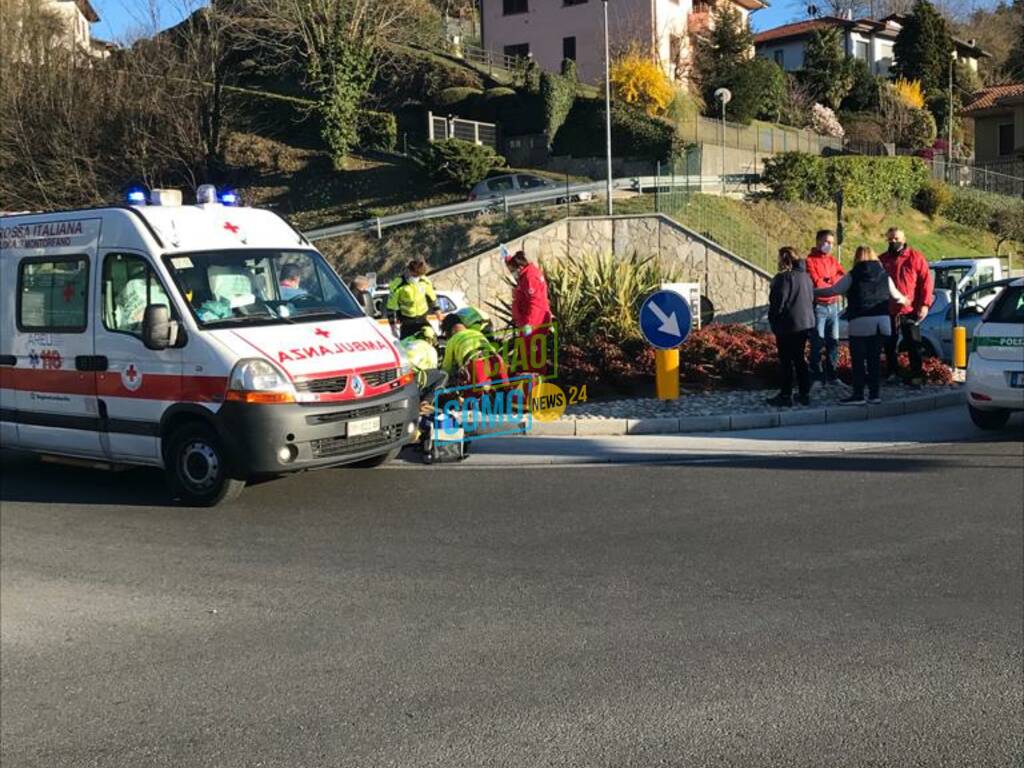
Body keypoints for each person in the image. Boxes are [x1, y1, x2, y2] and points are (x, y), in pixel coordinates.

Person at [815, 246, 911, 405]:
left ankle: (858, 395)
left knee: (859, 360)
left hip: (861, 320)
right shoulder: (884, 275)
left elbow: (833, 290)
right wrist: (906, 300)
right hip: (883, 322)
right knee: (874, 359)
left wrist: (812, 291)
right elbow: (897, 296)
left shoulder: (853, 275)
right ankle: (874, 395)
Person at [880, 228, 934, 387]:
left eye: (896, 238)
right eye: (890, 239)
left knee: (913, 344)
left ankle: (917, 374)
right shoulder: (883, 259)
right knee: (889, 345)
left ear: (904, 239)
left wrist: (924, 304)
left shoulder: (915, 258)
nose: (893, 242)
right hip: (889, 310)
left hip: (910, 310)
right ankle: (892, 373)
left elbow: (926, 282)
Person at [767, 246, 815, 408]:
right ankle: (804, 393)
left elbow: (778, 302)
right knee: (800, 359)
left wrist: (773, 320)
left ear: (784, 258)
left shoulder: (784, 278)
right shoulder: (806, 277)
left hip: (787, 324)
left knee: (787, 361)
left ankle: (785, 395)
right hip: (805, 323)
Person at [805, 229, 845, 387]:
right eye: (826, 242)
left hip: (834, 306)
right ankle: (817, 377)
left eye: (832, 243)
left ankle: (833, 376)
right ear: (818, 241)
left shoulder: (832, 260)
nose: (829, 246)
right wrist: (832, 283)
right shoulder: (809, 260)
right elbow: (816, 282)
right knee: (817, 344)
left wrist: (830, 280)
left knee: (833, 343)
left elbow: (842, 276)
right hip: (819, 307)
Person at [505, 249, 553, 376]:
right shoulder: (525, 275)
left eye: (512, 270)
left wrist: (530, 324)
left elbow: (535, 302)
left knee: (533, 355)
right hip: (527, 321)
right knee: (527, 354)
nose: (512, 274)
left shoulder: (530, 277)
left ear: (520, 267)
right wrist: (507, 257)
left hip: (534, 322)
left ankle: (537, 380)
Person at [439, 313, 507, 386]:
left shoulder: (452, 341)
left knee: (473, 395)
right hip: (496, 360)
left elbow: (446, 368)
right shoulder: (477, 333)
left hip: (477, 367)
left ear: (448, 331)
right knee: (508, 392)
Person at [387, 259, 439, 339]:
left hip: (422, 318)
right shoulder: (398, 284)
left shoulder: (424, 281)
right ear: (409, 271)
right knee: (406, 345)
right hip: (407, 321)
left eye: (419, 276)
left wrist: (438, 314)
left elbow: (432, 298)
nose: (416, 278)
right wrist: (393, 327)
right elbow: (391, 307)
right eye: (414, 275)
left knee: (432, 339)